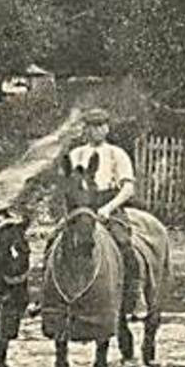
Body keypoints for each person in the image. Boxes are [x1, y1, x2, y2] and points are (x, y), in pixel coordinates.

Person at [65, 107, 142, 310]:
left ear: (107, 128)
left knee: (124, 243)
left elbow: (128, 188)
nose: (95, 131)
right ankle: (50, 295)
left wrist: (108, 208)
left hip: (108, 204)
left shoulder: (117, 154)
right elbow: (68, 184)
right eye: (91, 126)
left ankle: (133, 297)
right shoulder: (75, 154)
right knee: (53, 241)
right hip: (80, 207)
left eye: (100, 126)